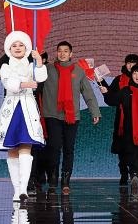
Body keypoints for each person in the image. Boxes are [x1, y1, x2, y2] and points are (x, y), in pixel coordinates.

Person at [0, 30, 47, 202]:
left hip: (28, 108)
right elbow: (9, 83)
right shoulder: (5, 66)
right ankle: (16, 189)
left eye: (21, 45)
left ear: (26, 48)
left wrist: (39, 61)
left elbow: (41, 77)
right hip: (11, 108)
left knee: (26, 146)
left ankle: (23, 189)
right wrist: (25, 84)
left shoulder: (31, 64)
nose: (18, 48)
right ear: (9, 49)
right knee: (12, 149)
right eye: (14, 45)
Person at [41, 40, 101, 194]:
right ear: (56, 53)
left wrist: (95, 112)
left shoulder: (78, 71)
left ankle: (66, 181)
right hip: (52, 114)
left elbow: (88, 93)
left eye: (65, 51)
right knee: (54, 146)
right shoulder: (47, 69)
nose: (62, 53)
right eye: (60, 51)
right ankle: (52, 177)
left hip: (72, 116)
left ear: (71, 54)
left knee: (69, 148)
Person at [99, 54, 138, 185]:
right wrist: (101, 82)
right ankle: (124, 174)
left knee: (137, 149)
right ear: (125, 64)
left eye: (134, 63)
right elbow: (111, 98)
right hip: (122, 120)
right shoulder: (119, 79)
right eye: (129, 63)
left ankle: (135, 174)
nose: (131, 65)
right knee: (122, 150)